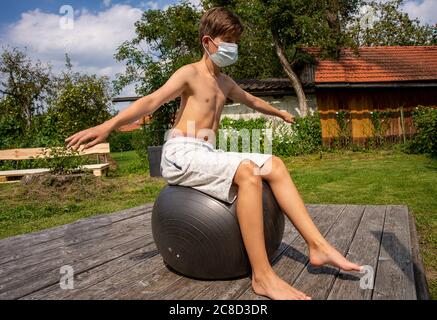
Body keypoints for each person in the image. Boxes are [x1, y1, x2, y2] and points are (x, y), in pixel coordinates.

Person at [65, 7, 362, 300]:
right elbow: (152, 100)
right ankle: (263, 277)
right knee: (247, 172)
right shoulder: (189, 74)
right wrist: (109, 125)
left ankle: (318, 246)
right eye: (228, 41)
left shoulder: (225, 83)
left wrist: (280, 114)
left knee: (275, 164)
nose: (233, 48)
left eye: (236, 42)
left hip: (206, 150)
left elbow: (252, 100)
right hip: (180, 151)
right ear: (208, 42)